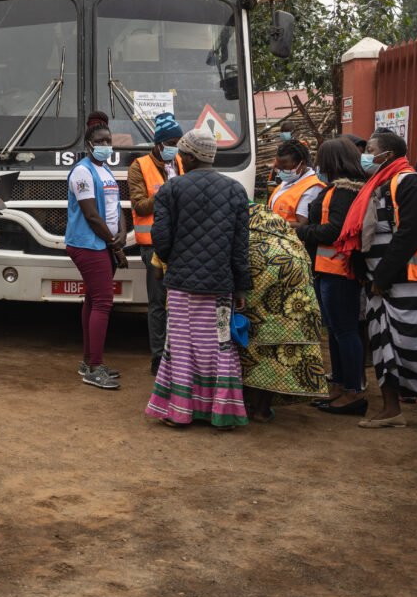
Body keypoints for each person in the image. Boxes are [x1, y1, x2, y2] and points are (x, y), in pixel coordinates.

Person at [337, 131, 417, 429]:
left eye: (371, 149)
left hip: (413, 281)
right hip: (381, 282)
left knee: (415, 343)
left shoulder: (408, 181)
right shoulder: (378, 184)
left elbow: (412, 232)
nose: (365, 154)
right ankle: (391, 410)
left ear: (386, 155)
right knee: (382, 343)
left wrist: (384, 274)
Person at [144, 130, 252, 430]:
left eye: (182, 153)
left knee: (181, 345)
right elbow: (240, 246)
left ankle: (180, 412)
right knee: (219, 345)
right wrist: (241, 285)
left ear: (191, 157)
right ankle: (222, 413)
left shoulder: (172, 189)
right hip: (220, 287)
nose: (179, 157)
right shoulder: (235, 191)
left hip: (180, 286)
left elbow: (161, 240)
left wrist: (169, 262)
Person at [296, 138, 369, 415]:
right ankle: (340, 385)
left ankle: (352, 392)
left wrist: (299, 230)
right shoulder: (336, 190)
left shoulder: (344, 192)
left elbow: (334, 231)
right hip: (328, 269)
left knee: (346, 331)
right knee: (337, 333)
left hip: (339, 270)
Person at [238, 202, 329, 421]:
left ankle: (249, 405)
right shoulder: (292, 243)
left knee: (256, 358)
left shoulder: (252, 243)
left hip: (262, 319)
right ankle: (262, 408)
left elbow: (248, 287)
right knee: (278, 361)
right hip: (295, 320)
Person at [65, 113, 127, 389]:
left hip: (105, 242)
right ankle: (95, 367)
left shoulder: (105, 170)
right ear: (89, 144)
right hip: (88, 244)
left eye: (109, 140)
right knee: (103, 301)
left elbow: (116, 206)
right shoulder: (82, 171)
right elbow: (91, 214)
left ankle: (89, 361)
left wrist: (122, 233)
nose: (106, 144)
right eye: (100, 141)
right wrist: (115, 245)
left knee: (92, 300)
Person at [128, 112, 185, 375]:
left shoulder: (180, 162)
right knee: (158, 303)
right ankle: (158, 357)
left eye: (178, 142)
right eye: (172, 142)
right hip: (152, 246)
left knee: (181, 303)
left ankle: (179, 355)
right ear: (159, 143)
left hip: (181, 243)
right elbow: (139, 205)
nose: (175, 147)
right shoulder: (139, 166)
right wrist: (166, 192)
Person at [267, 139, 324, 226]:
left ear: (302, 164)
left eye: (285, 168)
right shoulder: (288, 181)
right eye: (279, 167)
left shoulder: (312, 188)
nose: (281, 171)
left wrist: (270, 223)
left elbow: (302, 224)